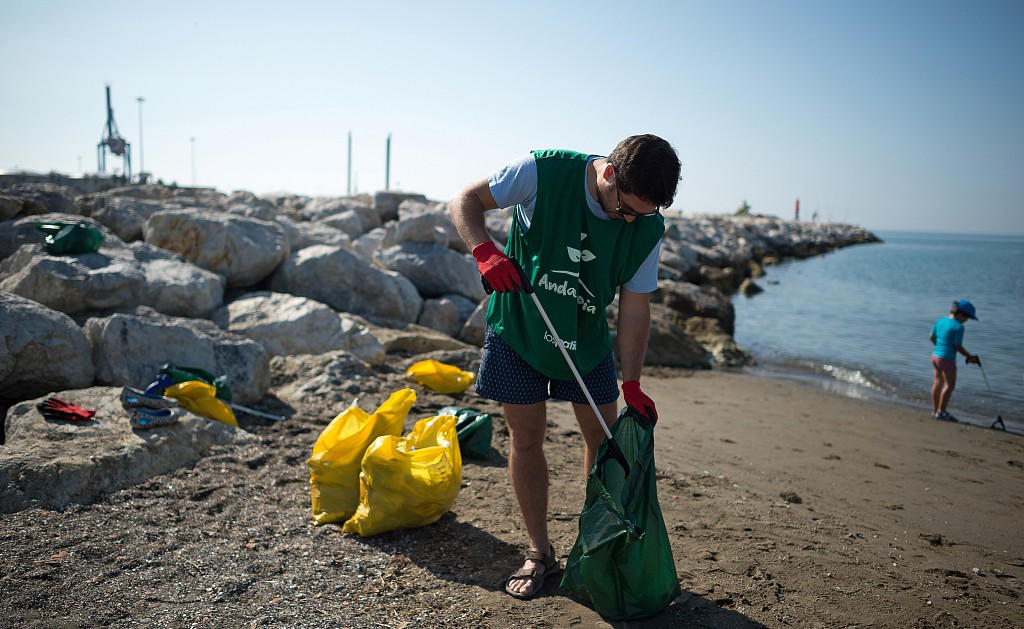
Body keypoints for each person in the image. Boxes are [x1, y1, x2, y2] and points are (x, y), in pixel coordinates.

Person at [448, 134, 680, 599]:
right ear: (609, 175)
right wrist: (485, 251)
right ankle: (539, 552)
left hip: (585, 339)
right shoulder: (542, 171)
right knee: (527, 437)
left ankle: (590, 546)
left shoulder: (645, 226)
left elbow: (635, 308)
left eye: (644, 213)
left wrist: (631, 381)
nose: (630, 220)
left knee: (604, 440)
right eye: (626, 209)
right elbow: (465, 200)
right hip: (521, 329)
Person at [930, 299, 980, 421]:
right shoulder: (959, 327)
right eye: (967, 317)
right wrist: (970, 357)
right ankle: (941, 412)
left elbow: (931, 337)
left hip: (935, 356)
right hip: (947, 359)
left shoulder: (940, 320)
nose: (967, 321)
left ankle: (936, 410)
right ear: (961, 314)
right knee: (950, 385)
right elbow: (957, 346)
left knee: (937, 383)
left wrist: (940, 348)